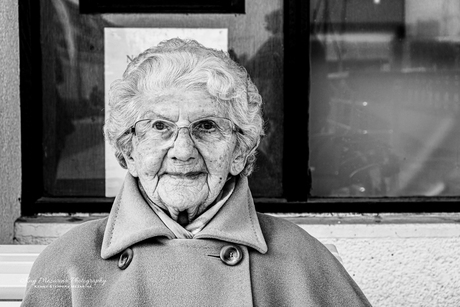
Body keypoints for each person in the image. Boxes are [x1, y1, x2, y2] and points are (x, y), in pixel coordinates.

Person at [21, 38, 371, 306]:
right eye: (160, 126)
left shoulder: (302, 262)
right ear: (128, 151)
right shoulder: (69, 264)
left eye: (206, 126)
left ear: (240, 150)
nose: (184, 150)